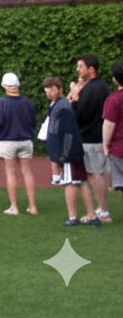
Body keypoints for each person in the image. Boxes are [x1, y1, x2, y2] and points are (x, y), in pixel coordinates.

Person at [45, 76, 101, 226]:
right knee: (81, 181)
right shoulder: (60, 105)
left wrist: (65, 153)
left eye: (51, 88)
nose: (48, 92)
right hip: (71, 151)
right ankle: (92, 215)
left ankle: (73, 217)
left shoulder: (63, 107)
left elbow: (69, 131)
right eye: (46, 89)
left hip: (69, 153)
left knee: (70, 183)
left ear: (59, 89)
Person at [69, 54, 111, 224]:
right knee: (94, 174)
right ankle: (102, 209)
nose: (78, 70)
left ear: (91, 69)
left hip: (92, 138)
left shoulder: (94, 88)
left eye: (81, 66)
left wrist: (73, 100)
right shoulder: (97, 86)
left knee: (96, 174)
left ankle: (104, 211)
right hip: (92, 136)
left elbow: (81, 114)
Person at [0, 72, 38, 215]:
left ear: (4, 86)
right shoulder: (27, 102)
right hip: (25, 140)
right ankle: (32, 206)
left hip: (8, 141)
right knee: (27, 172)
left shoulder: (2, 102)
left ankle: (14, 207)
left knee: (10, 172)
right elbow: (33, 122)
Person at [102, 63, 123, 205]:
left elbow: (109, 124)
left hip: (119, 147)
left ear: (115, 79)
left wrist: (105, 144)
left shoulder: (114, 99)